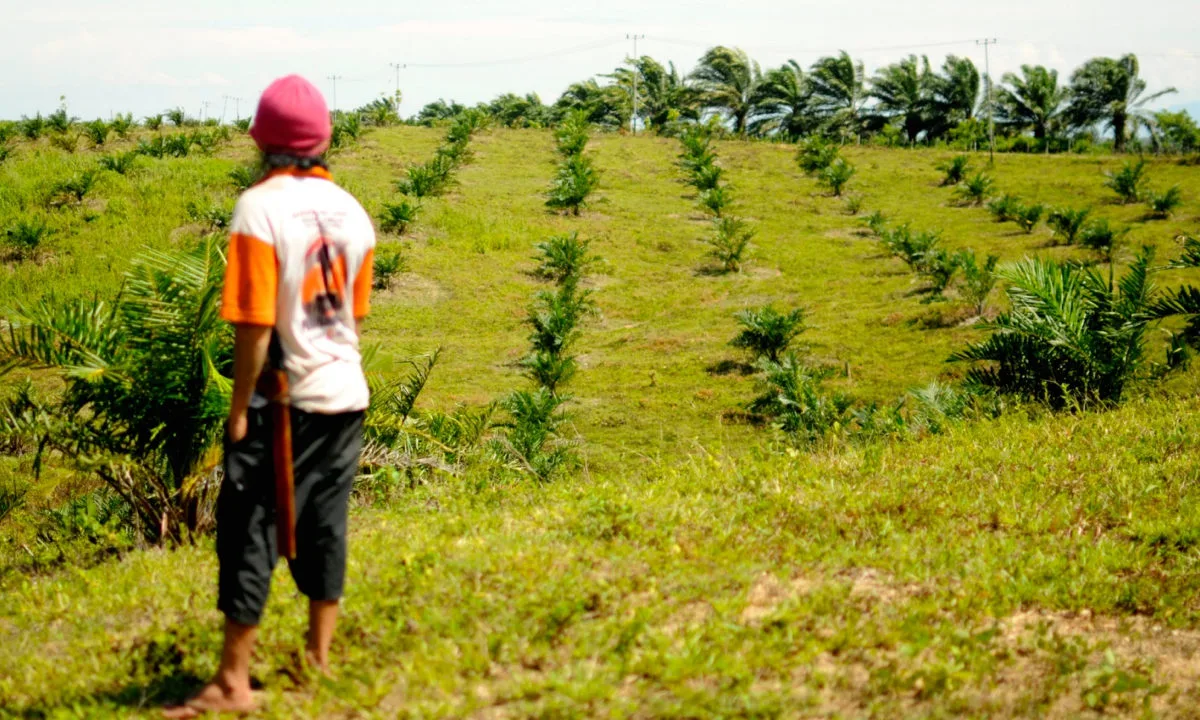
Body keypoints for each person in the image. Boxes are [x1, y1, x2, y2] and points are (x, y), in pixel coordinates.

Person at [165, 74, 375, 718]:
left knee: (248, 528)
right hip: (346, 391)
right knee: (325, 524)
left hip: (286, 399)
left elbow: (255, 322)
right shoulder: (354, 212)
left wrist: (238, 408)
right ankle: (318, 661)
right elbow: (353, 316)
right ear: (322, 142)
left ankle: (232, 683)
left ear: (264, 142)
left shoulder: (260, 206)